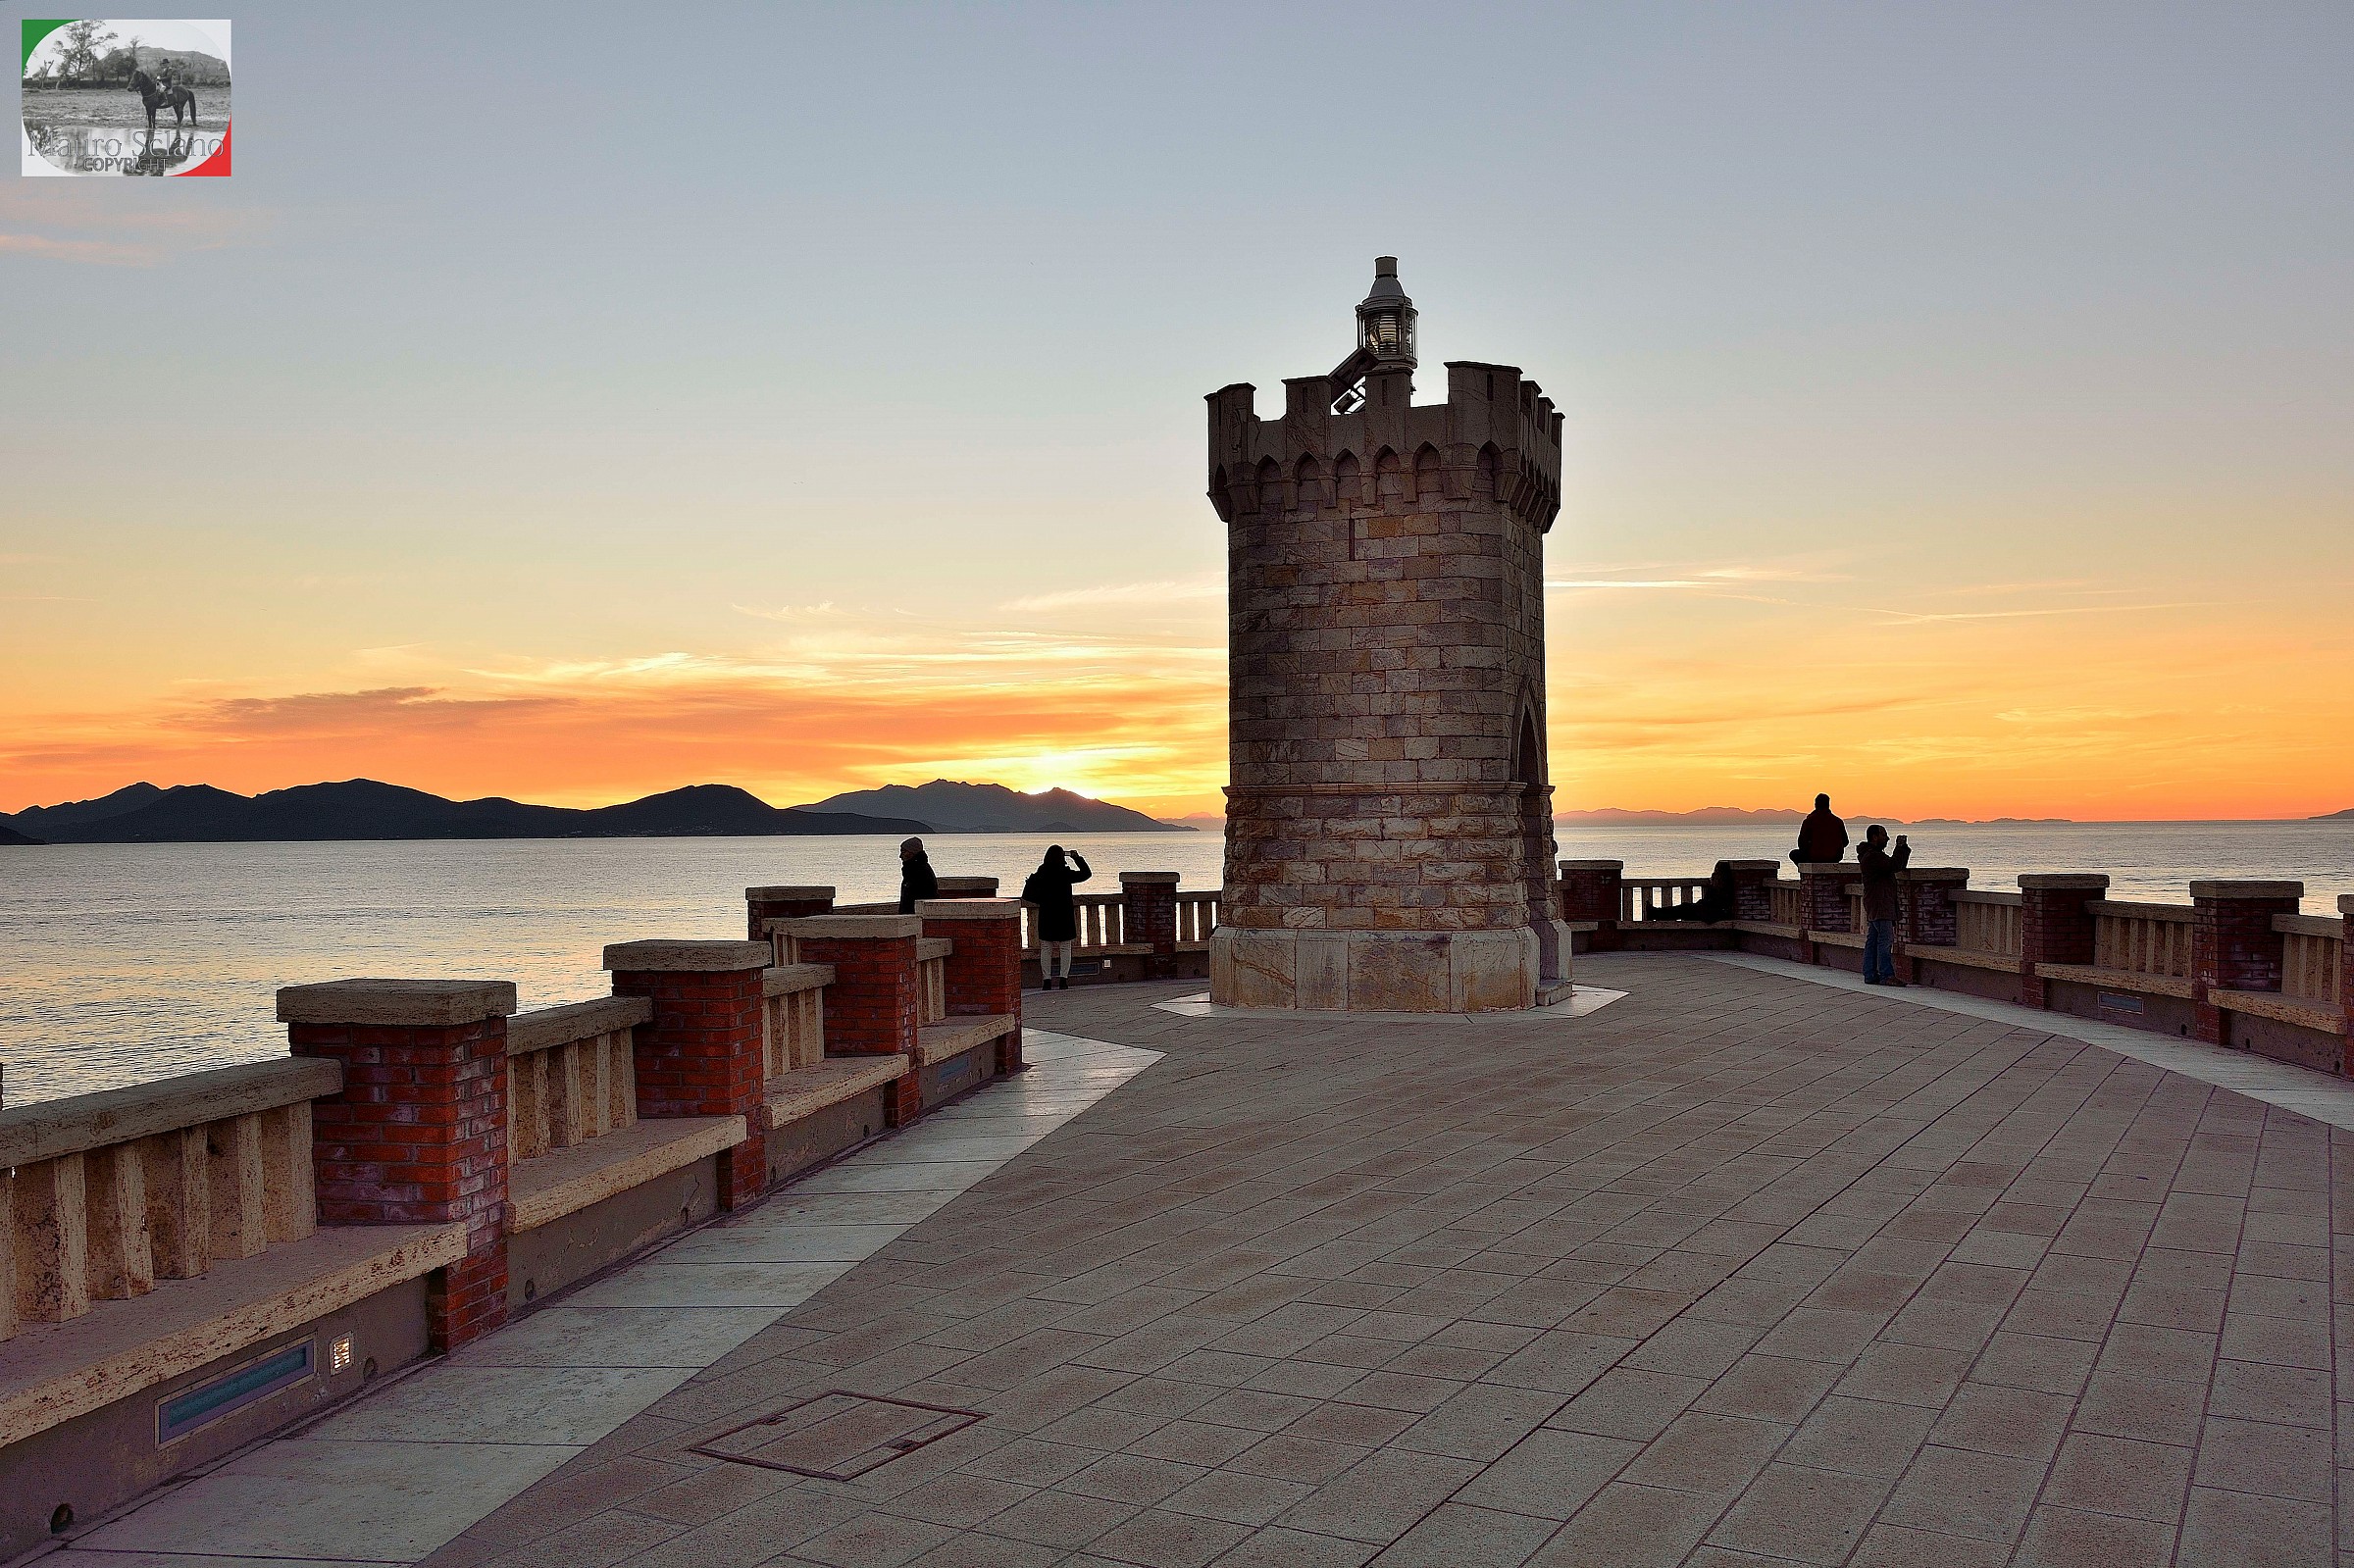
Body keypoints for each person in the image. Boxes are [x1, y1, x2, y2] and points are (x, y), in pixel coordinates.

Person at [1020, 844, 1093, 990]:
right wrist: (1077, 858)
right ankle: (1063, 979)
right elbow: (1086, 874)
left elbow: (1029, 891)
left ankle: (1046, 980)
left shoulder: (1042, 872)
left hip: (1047, 914)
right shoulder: (1065, 873)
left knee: (1046, 948)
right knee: (1065, 947)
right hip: (1064, 914)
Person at [1858, 824, 1911, 986]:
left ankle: (1870, 974)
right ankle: (1886, 975)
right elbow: (1894, 866)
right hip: (1880, 904)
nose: (1887, 838)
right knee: (1885, 940)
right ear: (1875, 837)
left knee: (1873, 939)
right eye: (1884, 835)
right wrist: (1901, 848)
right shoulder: (1873, 857)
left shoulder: (1870, 855)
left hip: (1876, 903)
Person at [1792, 792, 1849, 866]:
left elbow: (1801, 843)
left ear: (1815, 805)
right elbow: (1846, 842)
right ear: (1828, 805)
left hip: (1814, 858)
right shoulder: (1838, 821)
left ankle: (1806, 869)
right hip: (1835, 858)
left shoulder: (1809, 821)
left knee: (1793, 854)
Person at [896, 836, 938, 914]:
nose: (900, 856)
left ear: (912, 852)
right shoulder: (913, 871)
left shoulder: (921, 872)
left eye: (904, 852)